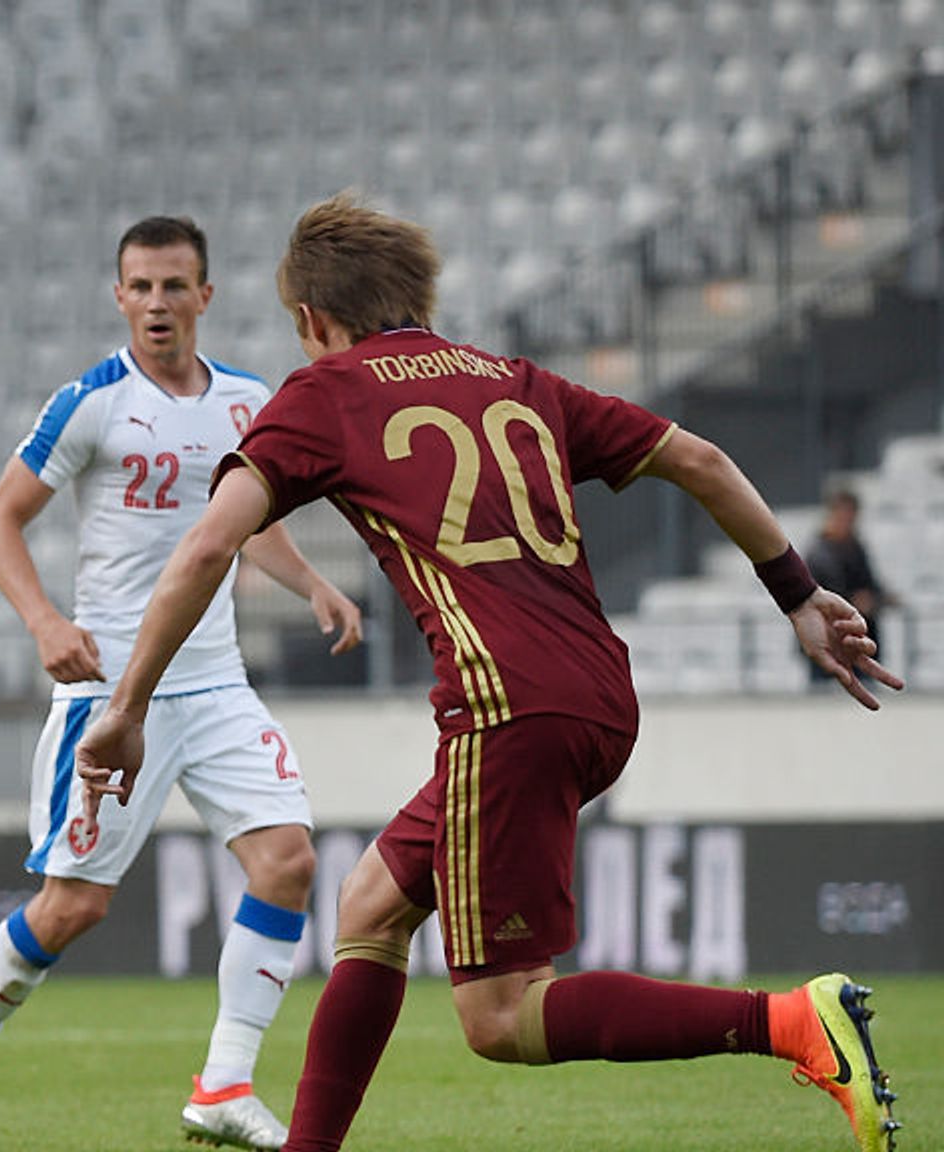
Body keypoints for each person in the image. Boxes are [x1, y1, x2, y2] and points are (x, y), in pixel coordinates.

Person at [75, 194, 902, 1152]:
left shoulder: (329, 389)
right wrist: (799, 597)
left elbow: (207, 545)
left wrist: (127, 704)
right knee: (370, 906)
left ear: (310, 320)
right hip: (594, 691)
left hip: (505, 704)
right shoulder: (516, 379)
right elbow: (703, 460)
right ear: (420, 296)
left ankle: (793, 1022)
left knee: (503, 1016)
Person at [0, 216, 362, 1152]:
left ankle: (225, 1084)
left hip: (215, 684)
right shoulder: (90, 403)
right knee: (76, 906)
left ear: (207, 296)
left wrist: (313, 582)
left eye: (174, 286)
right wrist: (45, 622)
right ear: (118, 297)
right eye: (140, 287)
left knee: (287, 859)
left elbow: (245, 521)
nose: (157, 303)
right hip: (110, 691)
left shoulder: (247, 401)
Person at [806, 489, 894, 681]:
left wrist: (878, 599)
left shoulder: (856, 548)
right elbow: (814, 598)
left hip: (859, 641)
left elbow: (870, 585)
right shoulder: (818, 555)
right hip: (830, 643)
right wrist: (854, 602)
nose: (847, 522)